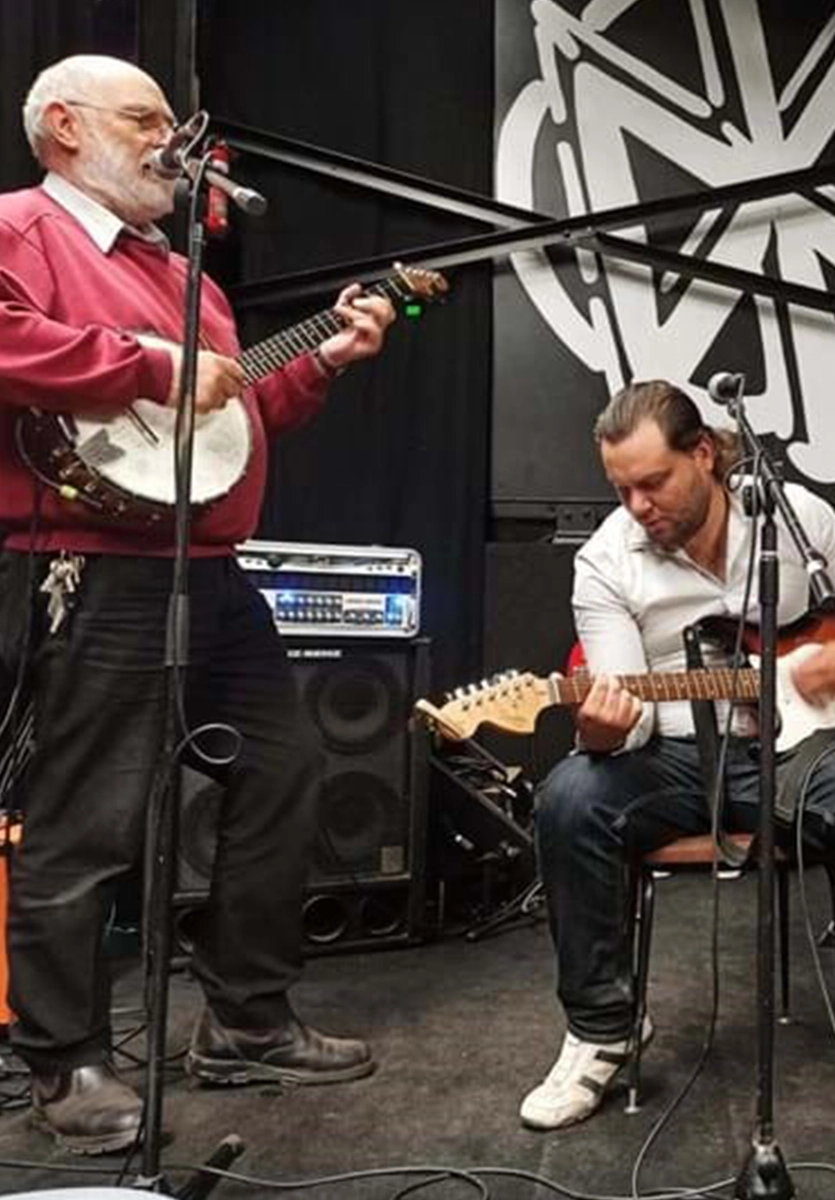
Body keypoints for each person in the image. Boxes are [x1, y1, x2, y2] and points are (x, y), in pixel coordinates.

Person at [0, 55, 396, 1153]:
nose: (170, 137)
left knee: (284, 771)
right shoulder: (19, 230)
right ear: (64, 129)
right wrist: (144, 364)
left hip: (210, 569)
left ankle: (246, 1022)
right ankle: (68, 1061)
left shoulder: (192, 279)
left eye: (175, 120)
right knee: (86, 818)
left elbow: (228, 413)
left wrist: (322, 360)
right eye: (146, 118)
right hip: (93, 563)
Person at [522, 380, 835, 1157]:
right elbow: (628, 705)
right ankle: (603, 1030)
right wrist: (599, 725)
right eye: (622, 488)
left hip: (798, 744)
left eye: (654, 482)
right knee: (570, 796)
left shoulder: (794, 516)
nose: (638, 504)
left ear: (706, 454)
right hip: (676, 753)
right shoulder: (606, 559)